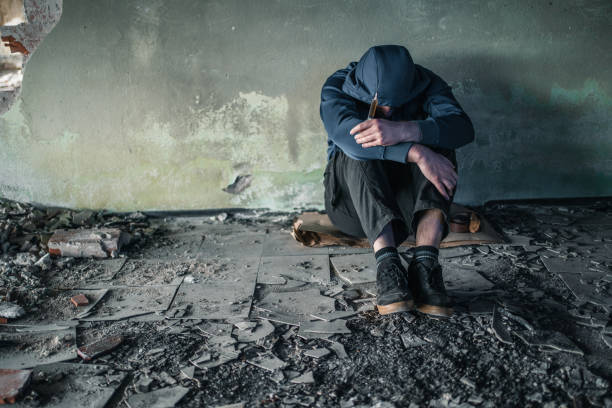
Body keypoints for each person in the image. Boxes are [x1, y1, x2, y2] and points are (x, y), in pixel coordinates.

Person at [320, 45, 475, 317]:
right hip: (352, 209)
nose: (389, 110)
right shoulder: (337, 86)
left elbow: (462, 128)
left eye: (397, 102)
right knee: (356, 148)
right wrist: (416, 151)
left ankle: (426, 264)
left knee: (441, 146)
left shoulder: (426, 82)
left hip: (406, 210)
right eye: (382, 103)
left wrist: (406, 129)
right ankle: (388, 266)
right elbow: (347, 137)